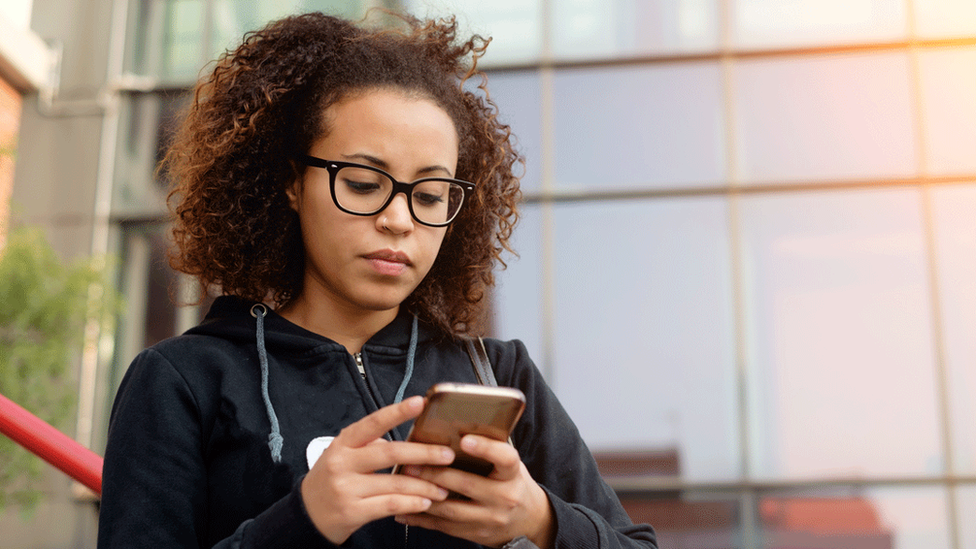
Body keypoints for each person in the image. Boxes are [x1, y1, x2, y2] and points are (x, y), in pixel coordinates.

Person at [97, 10, 658, 549]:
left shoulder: (498, 375)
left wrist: (539, 517)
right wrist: (303, 520)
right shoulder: (184, 380)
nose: (399, 219)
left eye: (431, 195)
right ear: (293, 184)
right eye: (364, 184)